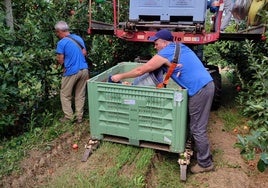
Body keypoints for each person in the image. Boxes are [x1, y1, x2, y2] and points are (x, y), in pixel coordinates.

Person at [111, 29, 215, 174]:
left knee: (197, 127)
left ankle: (205, 163)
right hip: (204, 85)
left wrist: (120, 76)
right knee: (196, 125)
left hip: (200, 89)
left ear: (165, 42)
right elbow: (174, 67)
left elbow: (141, 70)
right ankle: (202, 154)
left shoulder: (167, 51)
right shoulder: (179, 47)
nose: (155, 46)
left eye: (156, 43)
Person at [54, 21, 89, 124]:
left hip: (72, 71)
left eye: (57, 32)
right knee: (80, 94)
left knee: (65, 95)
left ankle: (69, 118)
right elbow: (84, 53)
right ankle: (79, 117)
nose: (57, 34)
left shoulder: (61, 43)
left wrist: (63, 65)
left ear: (60, 31)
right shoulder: (78, 39)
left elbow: (60, 59)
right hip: (84, 70)